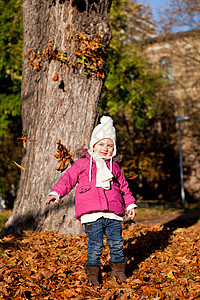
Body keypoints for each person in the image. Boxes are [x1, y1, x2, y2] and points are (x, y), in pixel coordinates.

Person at [46, 116, 137, 286]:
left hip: (114, 213)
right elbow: (68, 179)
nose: (105, 148)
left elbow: (124, 187)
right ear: (93, 144)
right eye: (101, 144)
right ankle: (93, 274)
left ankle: (118, 271)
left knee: (116, 243)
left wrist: (130, 204)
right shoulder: (82, 164)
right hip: (92, 214)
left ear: (114, 148)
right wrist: (57, 193)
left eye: (110, 145)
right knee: (95, 245)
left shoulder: (114, 167)